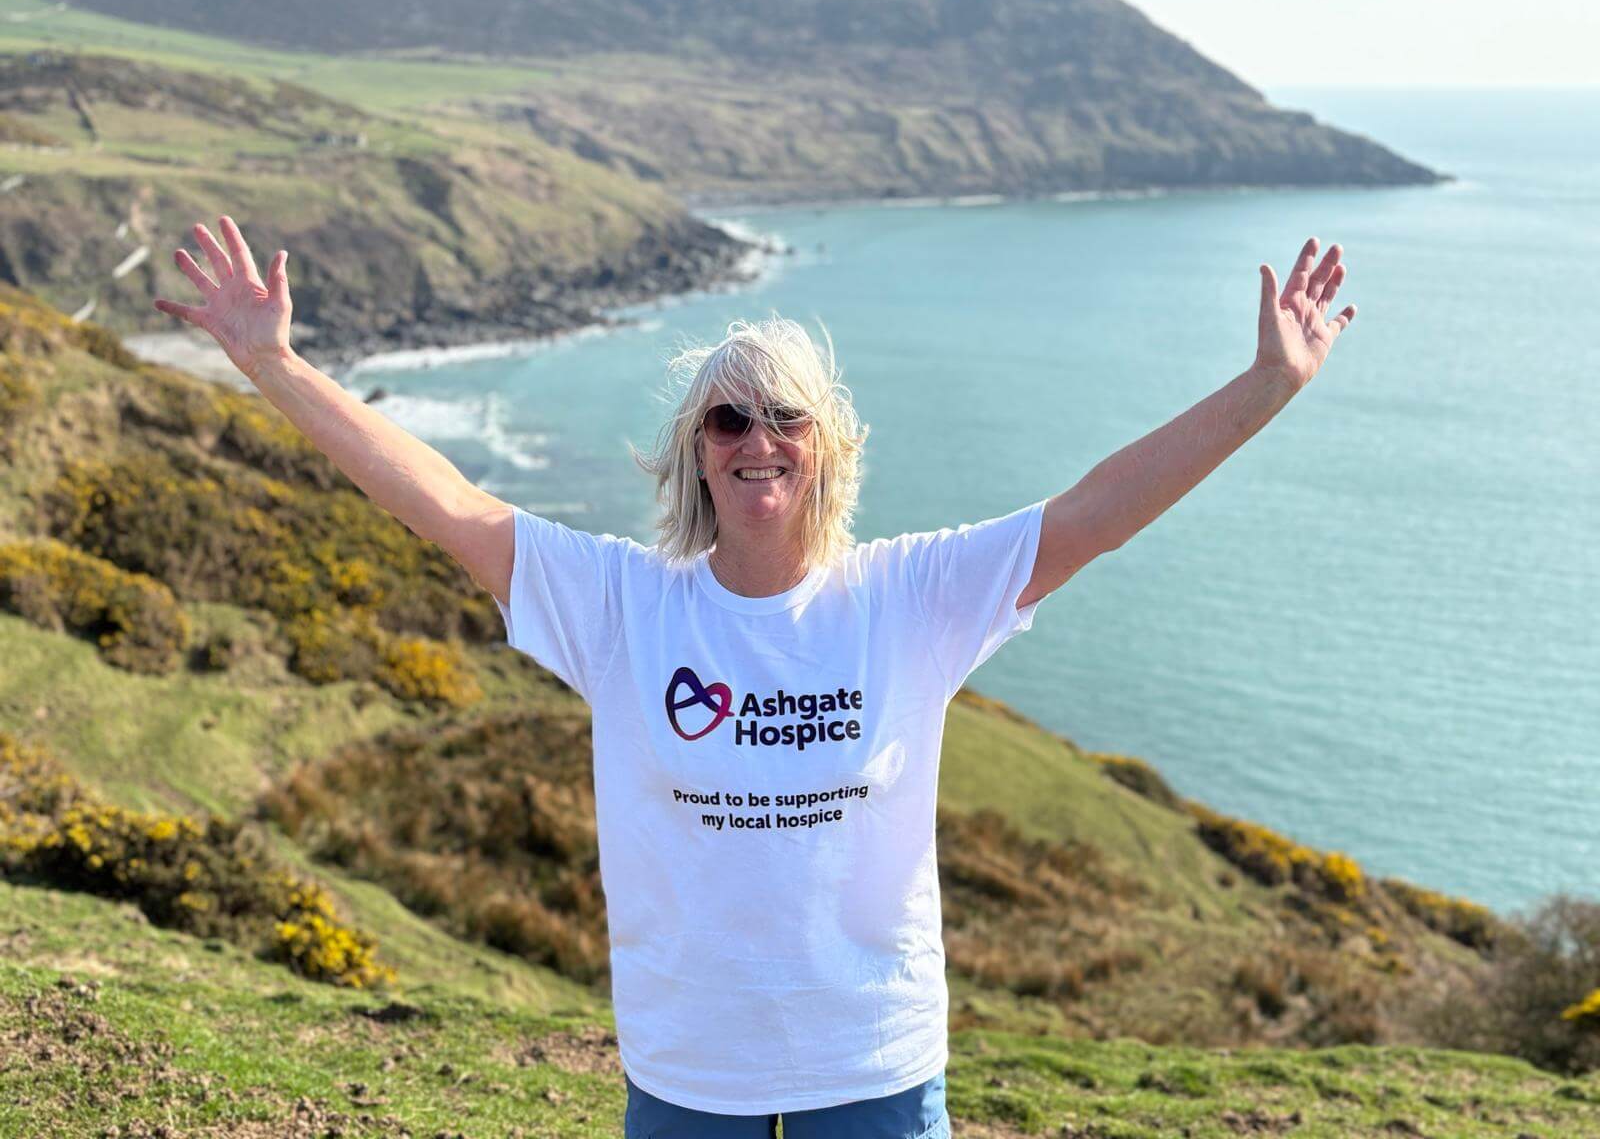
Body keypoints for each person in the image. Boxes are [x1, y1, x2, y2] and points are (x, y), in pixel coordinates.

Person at [154, 217, 1355, 1138]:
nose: (754, 439)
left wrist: (1265, 389)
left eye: (783, 416)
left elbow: (1095, 515)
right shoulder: (623, 602)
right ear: (695, 452)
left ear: (824, 444)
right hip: (689, 1071)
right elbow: (447, 504)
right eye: (725, 421)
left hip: (874, 1064)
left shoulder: (909, 594)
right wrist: (273, 363)